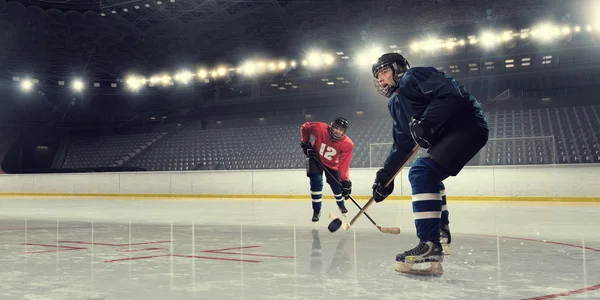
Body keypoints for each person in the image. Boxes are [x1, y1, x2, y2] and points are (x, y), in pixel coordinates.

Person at [370, 53, 489, 275]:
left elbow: (450, 93)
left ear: (398, 69)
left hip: (468, 125)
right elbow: (402, 145)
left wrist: (427, 122)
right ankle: (440, 231)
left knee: (421, 172)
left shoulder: (414, 76)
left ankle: (430, 244)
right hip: (448, 136)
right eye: (378, 76)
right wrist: (385, 177)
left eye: (385, 72)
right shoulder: (395, 105)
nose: (382, 79)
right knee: (428, 174)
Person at [300, 117, 355, 223]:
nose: (338, 131)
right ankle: (316, 210)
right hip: (315, 158)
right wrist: (305, 142)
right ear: (331, 126)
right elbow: (305, 127)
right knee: (316, 182)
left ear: (344, 132)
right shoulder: (320, 127)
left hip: (332, 164)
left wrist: (345, 180)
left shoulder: (347, 144)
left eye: (341, 130)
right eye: (336, 128)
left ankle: (341, 205)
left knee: (337, 186)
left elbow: (344, 164)